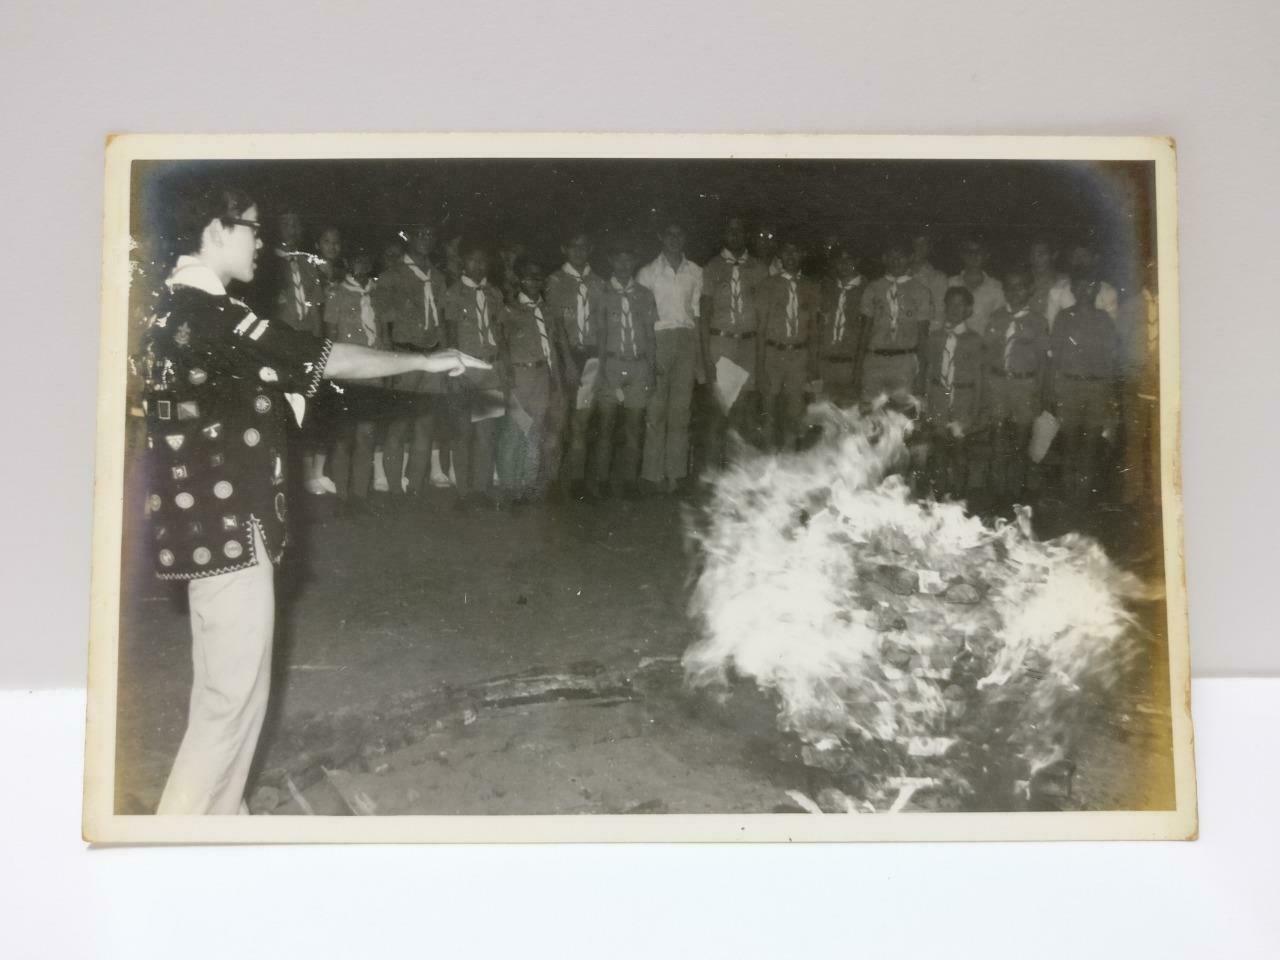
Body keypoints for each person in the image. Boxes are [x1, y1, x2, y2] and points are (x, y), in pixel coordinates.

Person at [141, 184, 487, 815]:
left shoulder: (171, 308)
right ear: (216, 231)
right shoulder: (214, 316)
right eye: (251, 227)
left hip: (203, 526)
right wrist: (430, 362)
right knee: (229, 703)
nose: (261, 240)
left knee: (225, 694)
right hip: (229, 527)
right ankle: (175, 846)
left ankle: (224, 823)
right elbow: (323, 357)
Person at [372, 223, 449, 505]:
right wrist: (388, 361)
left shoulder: (438, 278)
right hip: (404, 355)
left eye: (431, 233)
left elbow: (441, 319)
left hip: (432, 355)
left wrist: (443, 355)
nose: (426, 238)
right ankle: (394, 489)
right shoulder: (392, 276)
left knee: (425, 424)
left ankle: (415, 487)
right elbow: (382, 322)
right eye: (421, 234)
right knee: (399, 424)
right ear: (410, 238)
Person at [637, 221, 703, 493]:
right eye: (669, 234)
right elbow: (642, 318)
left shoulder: (696, 271)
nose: (674, 239)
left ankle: (675, 473)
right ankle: (653, 475)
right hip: (658, 340)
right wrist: (647, 354)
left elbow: (696, 314)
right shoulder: (648, 273)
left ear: (685, 237)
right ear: (660, 236)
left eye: (679, 234)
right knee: (656, 409)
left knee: (681, 410)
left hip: (686, 340)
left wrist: (698, 356)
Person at [1047, 272, 1120, 510]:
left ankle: (1084, 498)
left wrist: (1109, 394)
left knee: (1090, 442)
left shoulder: (1104, 319)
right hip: (1070, 386)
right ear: (1073, 291)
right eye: (1079, 287)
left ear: (1096, 289)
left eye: (1089, 287)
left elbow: (1111, 359)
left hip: (1097, 387)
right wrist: (1055, 391)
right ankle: (1068, 495)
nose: (1084, 291)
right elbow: (1055, 358)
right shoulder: (1064, 318)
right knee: (1069, 441)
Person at [543, 230, 608, 500]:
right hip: (564, 357)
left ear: (590, 249)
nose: (579, 251)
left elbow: (603, 325)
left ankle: (578, 481)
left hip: (591, 357)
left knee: (581, 422)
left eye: (584, 246)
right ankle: (553, 482)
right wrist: (567, 361)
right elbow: (555, 325)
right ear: (564, 249)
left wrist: (602, 359)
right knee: (559, 421)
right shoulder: (554, 281)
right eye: (574, 246)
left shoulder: (599, 282)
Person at [495, 259, 565, 503]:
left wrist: (555, 377)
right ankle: (508, 486)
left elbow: (551, 346)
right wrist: (507, 376)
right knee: (514, 429)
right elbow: (502, 344)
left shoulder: (546, 310)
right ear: (519, 281)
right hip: (519, 373)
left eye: (538, 278)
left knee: (535, 431)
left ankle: (527, 485)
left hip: (542, 373)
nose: (533, 282)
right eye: (528, 277)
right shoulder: (510, 310)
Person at [700, 216, 768, 467]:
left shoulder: (759, 269)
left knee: (745, 414)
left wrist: (760, 360)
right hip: (722, 344)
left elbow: (763, 316)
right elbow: (704, 316)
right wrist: (707, 361)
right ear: (723, 235)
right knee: (719, 413)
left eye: (739, 231)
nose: (735, 235)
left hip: (749, 346)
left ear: (745, 235)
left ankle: (736, 480)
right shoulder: (712, 268)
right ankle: (709, 479)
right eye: (730, 231)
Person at [443, 240, 506, 508]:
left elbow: (501, 333)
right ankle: (463, 492)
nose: (478, 265)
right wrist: (452, 371)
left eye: (483, 261)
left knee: (486, 432)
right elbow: (450, 333)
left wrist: (502, 364)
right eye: (472, 260)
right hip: (464, 368)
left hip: (489, 369)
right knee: (462, 432)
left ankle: (481, 489)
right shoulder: (454, 293)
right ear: (463, 263)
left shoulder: (495, 294)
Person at [981, 269, 1050, 509]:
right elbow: (988, 355)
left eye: (1021, 286)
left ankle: (1016, 493)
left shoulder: (1038, 321)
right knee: (998, 439)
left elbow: (1043, 361)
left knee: (1021, 441)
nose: (1015, 292)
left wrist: (1040, 392)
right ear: (1004, 290)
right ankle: (998, 494)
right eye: (1010, 287)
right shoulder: (996, 317)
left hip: (1025, 385)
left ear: (1030, 290)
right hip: (998, 384)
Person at [596, 242, 658, 497]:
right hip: (612, 363)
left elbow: (650, 334)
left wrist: (652, 368)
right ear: (611, 261)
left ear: (634, 263)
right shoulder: (601, 292)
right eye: (618, 260)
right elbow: (599, 335)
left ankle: (630, 481)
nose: (623, 266)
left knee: (634, 426)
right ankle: (602, 480)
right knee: (606, 425)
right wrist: (600, 370)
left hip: (638, 364)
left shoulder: (644, 294)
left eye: (628, 260)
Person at [324, 247, 383, 514]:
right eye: (356, 258)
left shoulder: (377, 293)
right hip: (346, 371)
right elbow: (330, 335)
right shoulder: (337, 293)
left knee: (366, 435)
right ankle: (341, 497)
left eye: (366, 258)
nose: (362, 263)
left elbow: (384, 334)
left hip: (372, 370)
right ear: (348, 262)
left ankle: (360, 495)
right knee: (343, 436)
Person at [757, 238, 820, 451]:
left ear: (803, 255)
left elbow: (813, 328)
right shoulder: (768, 285)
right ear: (780, 256)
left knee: (795, 412)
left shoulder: (810, 286)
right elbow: (761, 328)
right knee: (769, 411)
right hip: (773, 352)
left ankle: (788, 463)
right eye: (787, 252)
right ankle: (768, 462)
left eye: (796, 252)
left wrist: (812, 363)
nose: (792, 257)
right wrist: (759, 366)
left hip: (798, 355)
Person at [923, 287, 986, 500]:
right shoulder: (934, 337)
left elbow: (978, 377)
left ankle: (960, 497)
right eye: (950, 304)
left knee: (959, 451)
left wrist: (976, 410)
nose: (954, 309)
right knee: (939, 449)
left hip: (962, 400)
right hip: (939, 398)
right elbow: (929, 370)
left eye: (960, 305)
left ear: (968, 310)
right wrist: (926, 401)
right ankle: (940, 496)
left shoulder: (974, 340)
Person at [859, 239, 932, 399]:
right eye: (891, 256)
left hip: (904, 362)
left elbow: (923, 335)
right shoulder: (873, 288)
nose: (896, 261)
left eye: (901, 257)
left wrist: (922, 375)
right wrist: (858, 368)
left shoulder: (921, 291)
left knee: (900, 415)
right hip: (875, 360)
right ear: (884, 258)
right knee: (870, 413)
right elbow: (864, 330)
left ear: (911, 258)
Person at [1115, 257, 1160, 509]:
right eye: (1150, 271)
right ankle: (1133, 493)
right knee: (1134, 437)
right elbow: (1119, 346)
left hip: (1161, 382)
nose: (1155, 276)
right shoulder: (1131, 306)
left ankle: (1158, 494)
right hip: (1134, 380)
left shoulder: (1174, 303)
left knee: (1159, 437)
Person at [815, 243, 869, 407]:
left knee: (849, 415)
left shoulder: (867, 290)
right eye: (839, 261)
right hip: (826, 363)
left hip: (851, 364)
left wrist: (858, 369)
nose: (844, 265)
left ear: (857, 261)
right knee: (825, 417)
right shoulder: (826, 288)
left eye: (849, 260)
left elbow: (867, 332)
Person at [1045, 239, 1120, 328]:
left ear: (1095, 258)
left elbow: (1111, 330)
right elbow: (1051, 329)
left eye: (1084, 256)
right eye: (1074, 256)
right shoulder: (1057, 291)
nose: (1078, 261)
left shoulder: (1108, 292)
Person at [947, 237, 1006, 334]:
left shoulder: (997, 288)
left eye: (979, 251)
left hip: (983, 346)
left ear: (987, 255)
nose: (974, 255)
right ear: (962, 255)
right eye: (969, 251)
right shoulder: (950, 283)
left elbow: (1000, 324)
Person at [909, 231, 949, 332]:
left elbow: (940, 313)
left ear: (930, 248)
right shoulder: (897, 275)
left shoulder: (938, 278)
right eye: (916, 244)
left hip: (926, 336)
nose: (919, 248)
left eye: (924, 244)